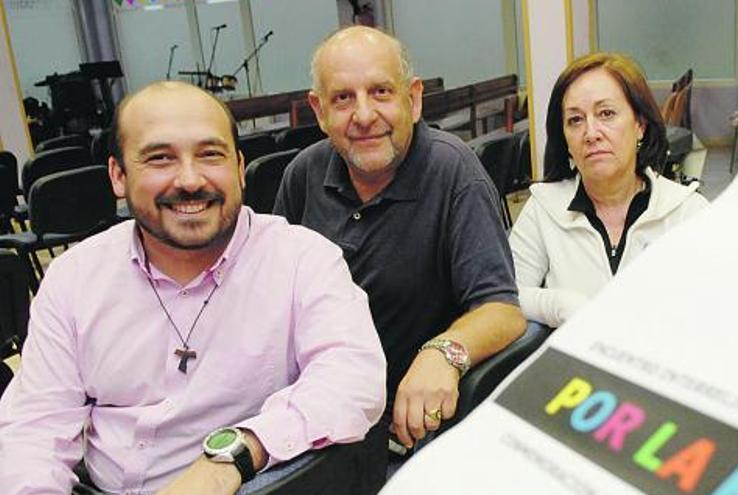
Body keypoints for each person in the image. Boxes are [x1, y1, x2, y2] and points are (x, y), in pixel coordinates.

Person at [0, 81, 386, 494]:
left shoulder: (300, 260)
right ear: (118, 175)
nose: (189, 179)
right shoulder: (73, 278)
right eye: (160, 158)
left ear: (239, 168)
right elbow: (34, 429)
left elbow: (352, 380)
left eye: (210, 154)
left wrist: (234, 455)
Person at [273, 26, 525, 454]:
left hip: (402, 434)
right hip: (311, 421)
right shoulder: (304, 174)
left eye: (381, 92)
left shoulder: (452, 172)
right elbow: (273, 300)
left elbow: (502, 311)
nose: (365, 115)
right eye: (343, 98)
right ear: (318, 110)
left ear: (414, 98)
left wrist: (442, 353)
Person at [509, 52, 708, 328]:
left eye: (606, 114)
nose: (591, 133)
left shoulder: (688, 211)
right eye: (575, 120)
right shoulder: (544, 208)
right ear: (565, 140)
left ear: (640, 125)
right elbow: (505, 298)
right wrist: (561, 305)